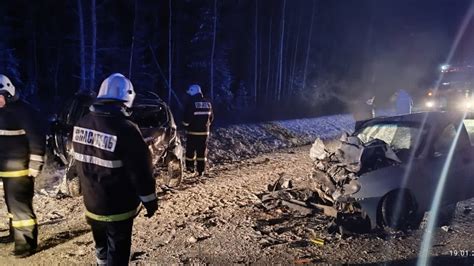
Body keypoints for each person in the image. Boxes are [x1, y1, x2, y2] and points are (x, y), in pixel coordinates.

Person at [72, 73, 158, 265]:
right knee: (118, 252)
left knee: (101, 247)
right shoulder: (126, 129)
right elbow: (141, 171)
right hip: (118, 208)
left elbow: (79, 162)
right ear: (126, 100)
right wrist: (150, 200)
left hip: (92, 204)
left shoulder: (82, 123)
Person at [0, 74, 45, 257]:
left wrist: (36, 163)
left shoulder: (24, 111)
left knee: (21, 206)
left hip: (21, 168)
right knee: (12, 204)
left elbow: (36, 138)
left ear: (8, 93)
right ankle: (14, 234)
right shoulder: (2, 112)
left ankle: (26, 244)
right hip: (6, 168)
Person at [182, 84, 214, 177]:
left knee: (190, 152)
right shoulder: (208, 103)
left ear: (193, 92)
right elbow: (211, 118)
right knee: (202, 152)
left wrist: (184, 126)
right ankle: (201, 170)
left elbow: (187, 119)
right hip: (204, 133)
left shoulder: (191, 103)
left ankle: (190, 168)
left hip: (193, 132)